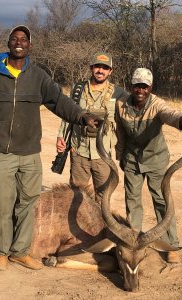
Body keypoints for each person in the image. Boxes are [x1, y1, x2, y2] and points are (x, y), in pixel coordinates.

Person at [0, 25, 100, 271]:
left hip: (29, 153)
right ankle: (2, 252)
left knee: (28, 203)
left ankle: (20, 252)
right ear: (8, 43)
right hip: (1, 152)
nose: (19, 42)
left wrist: (82, 116)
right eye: (14, 38)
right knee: (3, 203)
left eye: (24, 39)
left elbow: (59, 101)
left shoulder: (37, 75)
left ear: (29, 45)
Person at [115, 68, 182, 263]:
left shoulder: (157, 104)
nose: (140, 90)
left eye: (144, 86)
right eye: (137, 86)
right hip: (132, 159)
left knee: (161, 200)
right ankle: (134, 241)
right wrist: (120, 156)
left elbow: (171, 114)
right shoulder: (121, 104)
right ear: (131, 86)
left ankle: (171, 245)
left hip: (156, 159)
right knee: (132, 201)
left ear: (150, 87)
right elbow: (120, 133)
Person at [56, 52, 127, 204]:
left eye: (105, 68)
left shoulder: (119, 93)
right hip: (79, 152)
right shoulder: (77, 88)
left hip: (103, 155)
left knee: (103, 199)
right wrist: (61, 136)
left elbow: (129, 117)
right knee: (76, 197)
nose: (100, 71)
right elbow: (68, 113)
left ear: (110, 71)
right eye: (97, 67)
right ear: (91, 68)